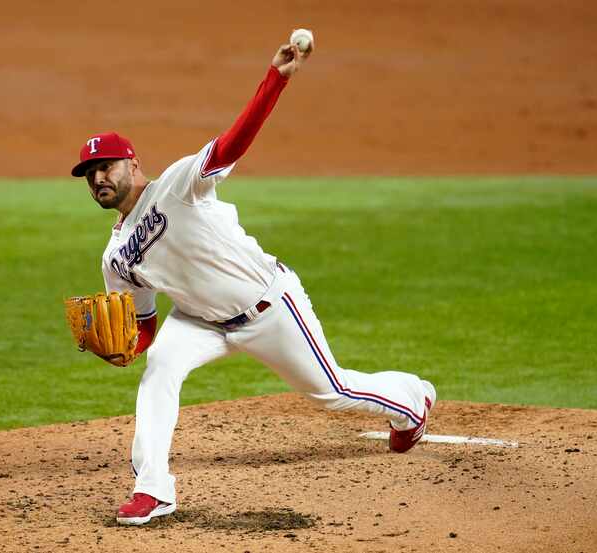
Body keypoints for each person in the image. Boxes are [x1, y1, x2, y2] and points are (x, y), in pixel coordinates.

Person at [70, 38, 435, 526]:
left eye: (106, 167)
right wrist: (123, 350)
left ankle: (412, 400)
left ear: (132, 164)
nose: (98, 179)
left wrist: (275, 78)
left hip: (267, 306)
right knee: (158, 371)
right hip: (198, 321)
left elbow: (233, 142)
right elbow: (143, 325)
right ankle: (153, 489)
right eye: (90, 174)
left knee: (331, 391)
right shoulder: (115, 257)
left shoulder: (177, 185)